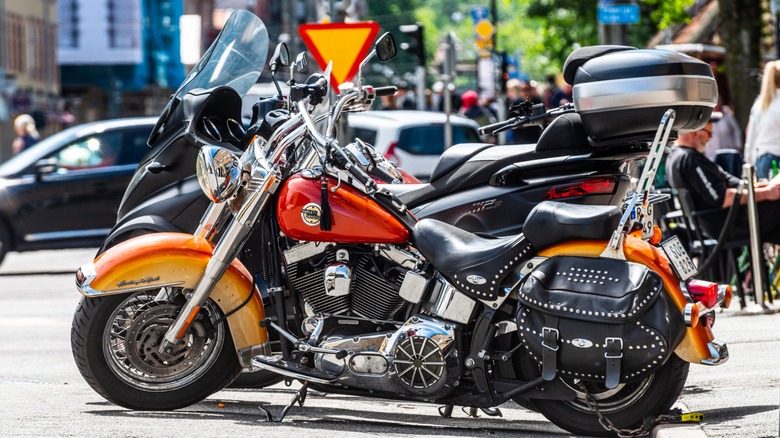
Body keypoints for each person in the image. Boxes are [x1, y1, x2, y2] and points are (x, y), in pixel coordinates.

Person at [665, 113, 780, 244]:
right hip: (726, 226)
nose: (711, 137)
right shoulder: (689, 159)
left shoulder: (676, 156)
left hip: (721, 223)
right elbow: (723, 198)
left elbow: (735, 184)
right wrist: (767, 193)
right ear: (696, 132)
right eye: (709, 133)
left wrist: (767, 187)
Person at [745, 60, 780, 179]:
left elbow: (750, 134)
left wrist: (748, 161)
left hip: (762, 159)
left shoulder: (760, 103)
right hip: (777, 159)